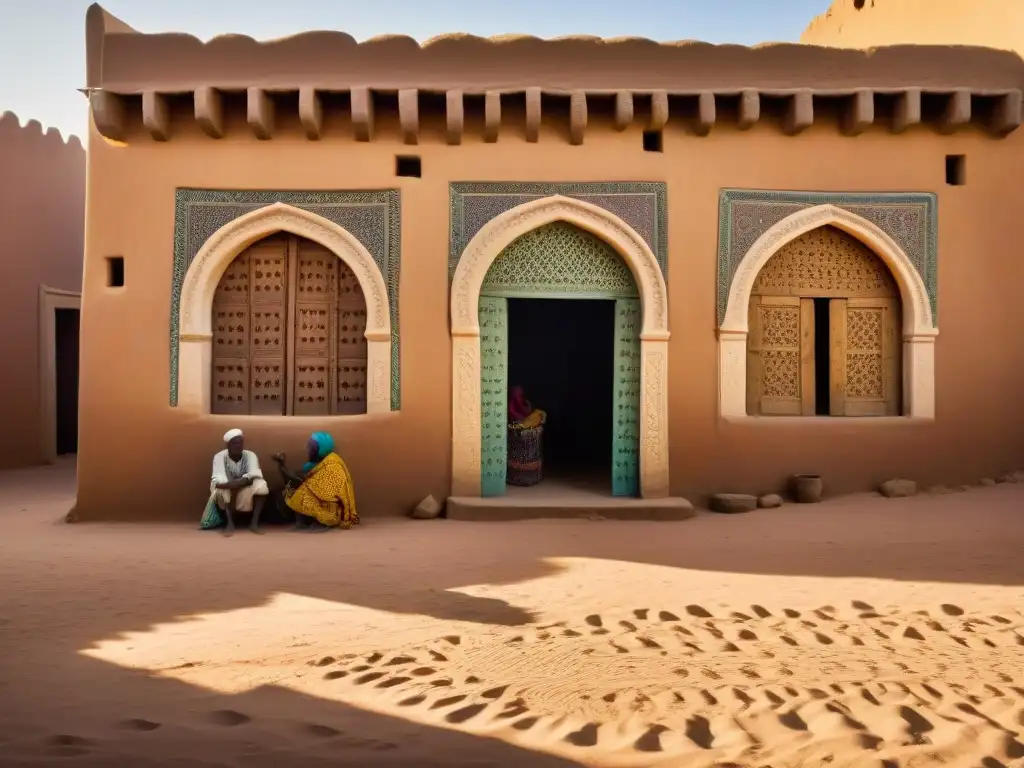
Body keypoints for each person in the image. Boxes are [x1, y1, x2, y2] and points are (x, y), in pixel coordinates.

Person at [271, 432, 359, 532]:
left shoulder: (332, 466)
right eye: (309, 445)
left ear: (320, 449)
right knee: (288, 490)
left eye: (311, 446)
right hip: (320, 502)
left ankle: (321, 522)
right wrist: (282, 465)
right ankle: (303, 522)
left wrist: (283, 466)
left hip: (331, 510)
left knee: (300, 494)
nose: (307, 448)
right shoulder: (314, 465)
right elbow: (298, 478)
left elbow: (325, 492)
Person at [199, 428, 270, 536]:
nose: (238, 445)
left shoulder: (250, 455)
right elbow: (218, 481)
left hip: (244, 486)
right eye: (235, 443)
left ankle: (254, 523)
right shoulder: (219, 457)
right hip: (227, 487)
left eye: (241, 442)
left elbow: (252, 476)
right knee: (223, 490)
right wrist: (232, 483)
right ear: (228, 445)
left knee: (261, 486)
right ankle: (229, 523)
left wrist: (239, 482)